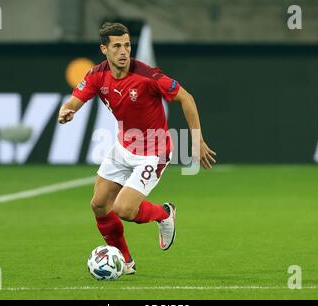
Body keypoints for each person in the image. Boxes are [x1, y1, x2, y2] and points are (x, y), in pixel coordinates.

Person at [58, 22, 216, 274]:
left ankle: (164, 214)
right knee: (99, 204)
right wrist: (66, 112)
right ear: (104, 49)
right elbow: (74, 101)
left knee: (124, 209)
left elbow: (186, 98)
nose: (124, 51)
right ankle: (126, 262)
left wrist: (196, 139)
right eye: (117, 46)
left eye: (127, 45)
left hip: (154, 152)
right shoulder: (97, 75)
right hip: (123, 147)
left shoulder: (147, 76)